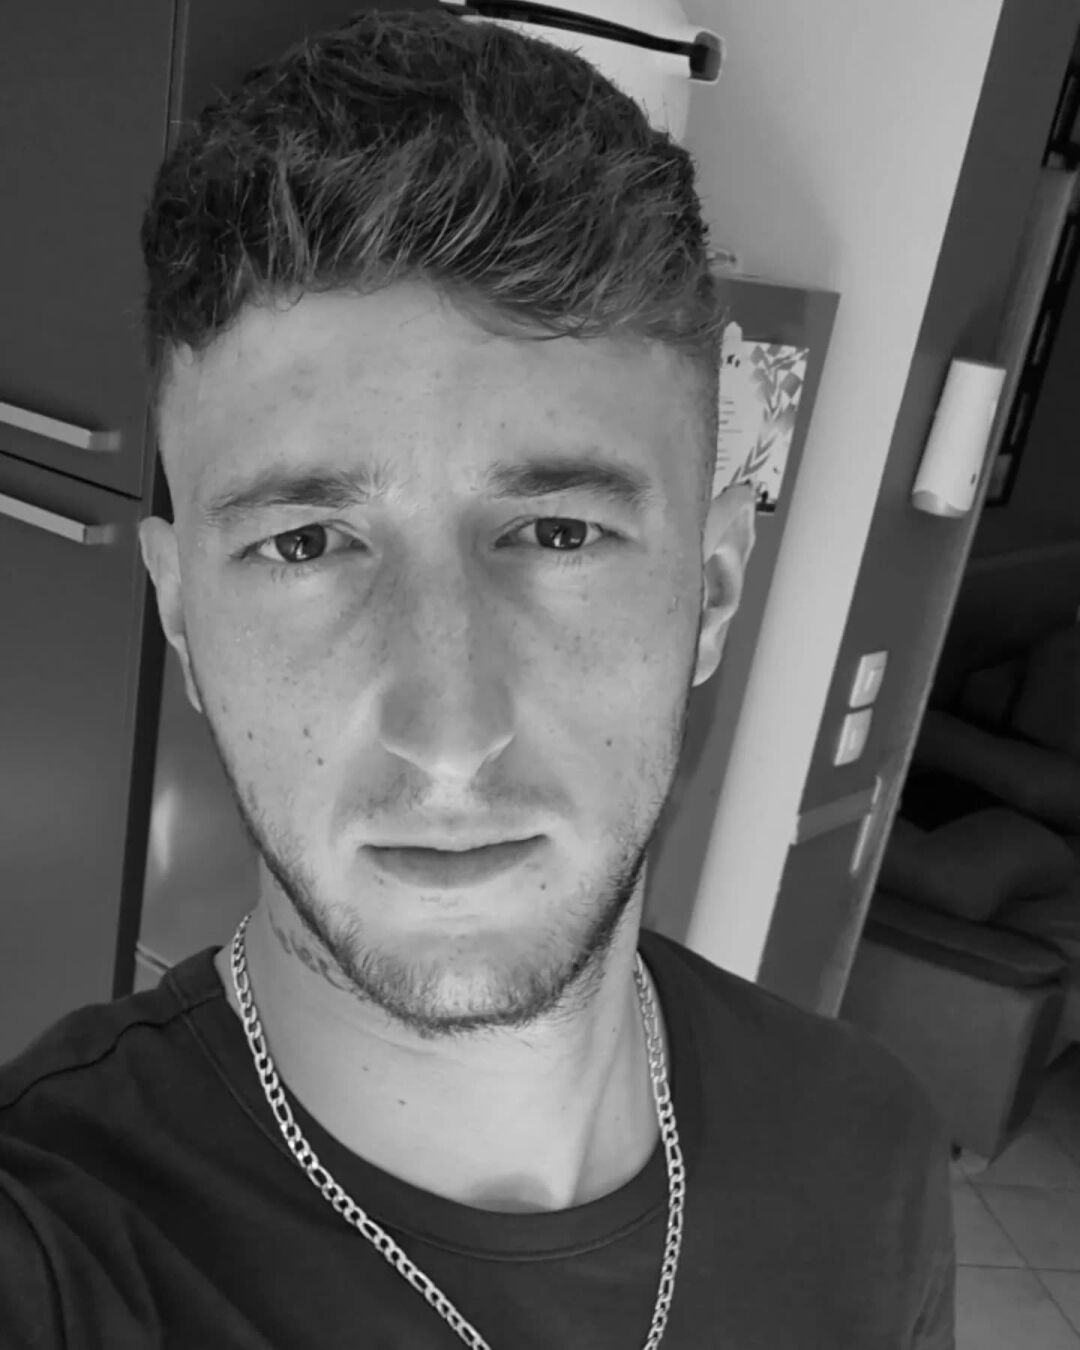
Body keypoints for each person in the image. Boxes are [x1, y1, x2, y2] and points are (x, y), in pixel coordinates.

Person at [0, 9, 956, 1347]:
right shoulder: (61, 1244)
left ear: (711, 588)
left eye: (558, 533)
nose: (448, 739)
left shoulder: (870, 1156)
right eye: (305, 543)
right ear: (183, 619)